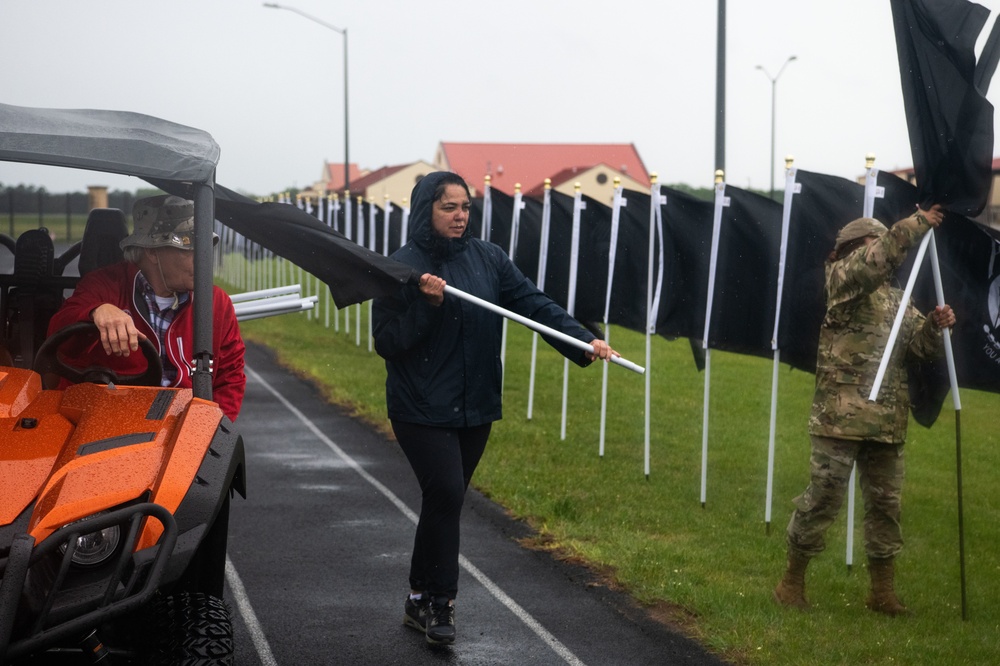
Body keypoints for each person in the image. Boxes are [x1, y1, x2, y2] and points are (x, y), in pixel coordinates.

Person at [372, 171, 616, 646]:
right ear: (427, 209)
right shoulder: (402, 266)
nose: (460, 216)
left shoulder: (489, 259)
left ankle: (418, 595)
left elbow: (533, 305)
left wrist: (582, 339)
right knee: (445, 491)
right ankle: (442, 604)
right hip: (420, 408)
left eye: (465, 207)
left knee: (445, 500)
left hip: (476, 405)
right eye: (449, 207)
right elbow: (386, 341)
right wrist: (427, 305)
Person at [773, 203, 955, 616]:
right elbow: (874, 261)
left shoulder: (896, 300)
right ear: (853, 249)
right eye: (875, 245)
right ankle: (791, 583)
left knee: (886, 509)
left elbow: (916, 350)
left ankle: (881, 593)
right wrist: (911, 226)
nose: (885, 255)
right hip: (840, 419)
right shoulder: (842, 281)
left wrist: (933, 327)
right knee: (821, 502)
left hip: (887, 423)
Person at [47, 194, 246, 421]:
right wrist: (96, 311)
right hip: (106, 421)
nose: (201, 259)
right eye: (187, 249)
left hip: (183, 429)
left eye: (202, 248)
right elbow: (58, 335)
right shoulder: (103, 285)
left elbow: (231, 376)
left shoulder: (216, 302)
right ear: (152, 251)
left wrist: (212, 429)